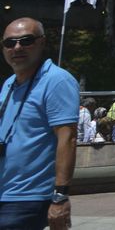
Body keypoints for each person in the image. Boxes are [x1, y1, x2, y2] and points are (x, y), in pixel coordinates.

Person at [0, 18, 79, 230]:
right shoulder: (9, 84)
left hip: (29, 197)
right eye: (10, 43)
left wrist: (60, 196)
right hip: (5, 192)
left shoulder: (56, 81)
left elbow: (68, 139)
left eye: (26, 40)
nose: (17, 47)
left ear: (42, 43)